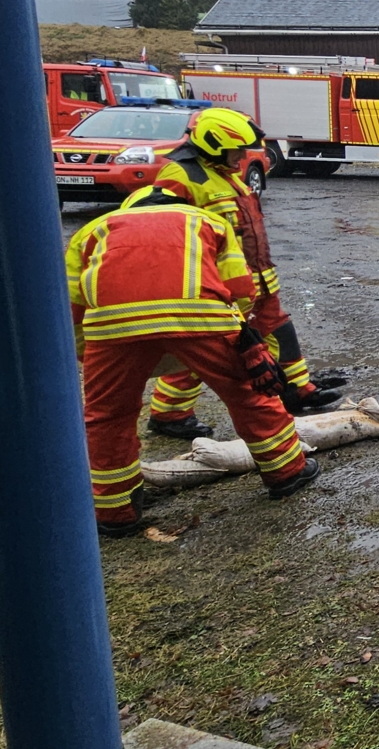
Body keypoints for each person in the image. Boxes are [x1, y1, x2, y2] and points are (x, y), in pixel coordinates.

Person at [67, 182, 318, 537]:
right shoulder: (206, 221)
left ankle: (114, 511)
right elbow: (240, 285)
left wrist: (87, 352)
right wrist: (241, 333)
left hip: (113, 326)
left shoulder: (93, 231)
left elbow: (72, 301)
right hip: (201, 318)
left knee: (107, 415)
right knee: (249, 393)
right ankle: (287, 473)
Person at [147, 108, 343, 438]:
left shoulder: (225, 173)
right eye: (235, 150)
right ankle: (170, 413)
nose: (241, 157)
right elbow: (168, 234)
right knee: (213, 348)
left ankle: (297, 390)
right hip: (218, 283)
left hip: (257, 277)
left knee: (281, 332)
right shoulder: (181, 177)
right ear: (213, 145)